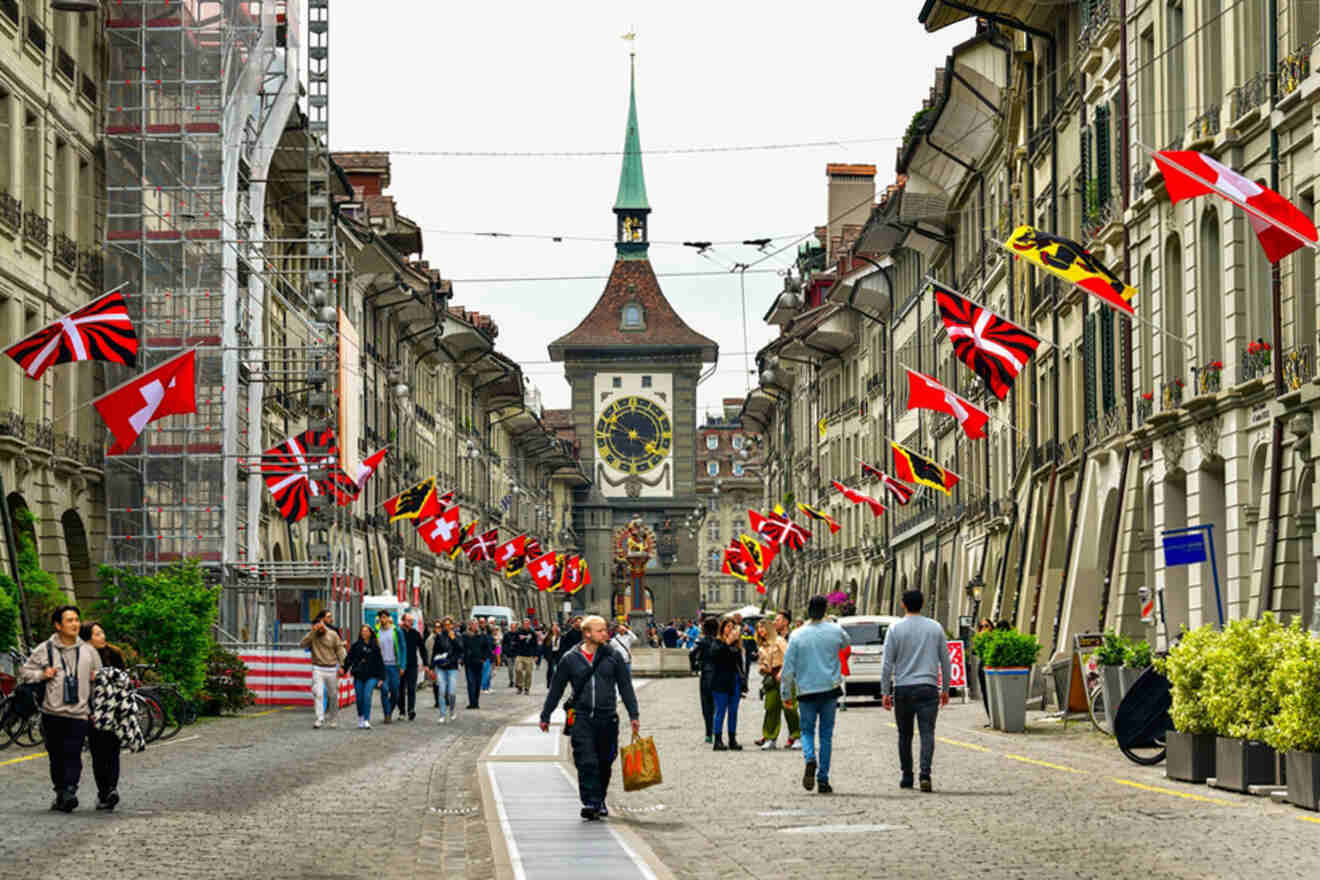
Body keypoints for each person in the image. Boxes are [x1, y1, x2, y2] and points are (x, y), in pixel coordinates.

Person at [539, 615, 640, 821]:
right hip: (582, 717)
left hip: (608, 718)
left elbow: (626, 686)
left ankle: (600, 798)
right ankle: (591, 802)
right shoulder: (570, 658)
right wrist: (546, 715)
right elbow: (557, 689)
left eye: (605, 630)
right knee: (586, 761)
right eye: (600, 630)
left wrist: (634, 714)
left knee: (604, 762)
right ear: (587, 634)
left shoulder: (613, 656)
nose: (606, 633)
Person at [21, 605, 103, 812]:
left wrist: (96, 678)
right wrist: (42, 674)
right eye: (69, 620)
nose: (75, 624)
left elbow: (99, 678)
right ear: (58, 625)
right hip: (52, 713)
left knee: (74, 754)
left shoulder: (88, 650)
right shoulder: (45, 649)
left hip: (79, 713)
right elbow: (26, 672)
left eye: (76, 619)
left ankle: (69, 790)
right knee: (57, 756)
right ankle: (61, 791)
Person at [881, 589, 952, 793]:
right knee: (927, 732)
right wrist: (945, 688)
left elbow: (887, 663)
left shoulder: (895, 629)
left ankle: (906, 775)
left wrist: (885, 691)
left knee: (904, 734)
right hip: (928, 687)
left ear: (903, 604)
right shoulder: (935, 628)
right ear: (923, 604)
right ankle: (925, 774)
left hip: (903, 688)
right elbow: (945, 662)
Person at [781, 595, 849, 794]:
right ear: (825, 610)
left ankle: (810, 757)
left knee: (807, 731)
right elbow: (846, 644)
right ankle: (823, 779)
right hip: (829, 689)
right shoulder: (835, 630)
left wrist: (786, 693)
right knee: (826, 735)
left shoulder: (797, 635)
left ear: (808, 611)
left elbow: (788, 669)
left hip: (806, 691)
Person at [80, 621, 129, 811]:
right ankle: (104, 791)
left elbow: (124, 680)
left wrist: (102, 675)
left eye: (102, 632)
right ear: (87, 638)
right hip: (92, 712)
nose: (102, 636)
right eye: (97, 634)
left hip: (113, 710)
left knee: (112, 752)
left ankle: (111, 790)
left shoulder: (114, 653)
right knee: (98, 753)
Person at [756, 614, 801, 750]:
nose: (761, 631)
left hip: (785, 677)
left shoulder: (779, 640)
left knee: (789, 707)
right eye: (758, 629)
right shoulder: (762, 646)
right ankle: (770, 738)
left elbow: (789, 656)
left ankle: (796, 736)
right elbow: (762, 664)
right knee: (770, 708)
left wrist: (782, 671)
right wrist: (762, 669)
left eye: (763, 628)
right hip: (771, 678)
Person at [300, 609, 346, 729]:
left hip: (331, 668)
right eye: (316, 626)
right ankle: (319, 718)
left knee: (333, 694)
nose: (319, 628)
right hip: (317, 668)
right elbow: (302, 644)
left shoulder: (333, 634)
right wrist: (312, 633)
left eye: (320, 625)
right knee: (318, 693)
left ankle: (333, 718)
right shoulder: (313, 635)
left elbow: (340, 649)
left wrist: (342, 665)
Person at [710, 618, 745, 751]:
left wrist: (743, 682)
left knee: (733, 711)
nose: (730, 629)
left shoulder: (737, 646)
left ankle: (732, 739)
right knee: (720, 711)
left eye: (733, 627)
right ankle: (717, 740)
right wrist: (728, 642)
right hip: (720, 681)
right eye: (728, 626)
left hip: (734, 681)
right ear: (723, 628)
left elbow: (740, 665)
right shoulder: (717, 643)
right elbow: (715, 656)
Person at [344, 624, 385, 729]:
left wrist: (381, 677)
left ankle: (366, 719)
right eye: (362, 631)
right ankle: (361, 717)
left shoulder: (375, 646)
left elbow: (380, 662)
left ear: (370, 633)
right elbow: (349, 659)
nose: (364, 633)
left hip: (372, 675)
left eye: (366, 631)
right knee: (359, 698)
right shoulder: (356, 645)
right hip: (359, 675)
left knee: (367, 696)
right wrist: (343, 668)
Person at [426, 617, 463, 723]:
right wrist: (431, 667)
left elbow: (461, 649)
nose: (447, 626)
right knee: (442, 691)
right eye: (445, 625)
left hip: (452, 667)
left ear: (452, 625)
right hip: (441, 667)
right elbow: (435, 652)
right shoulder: (439, 637)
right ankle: (442, 714)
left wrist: (454, 639)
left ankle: (452, 711)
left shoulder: (457, 635)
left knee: (451, 692)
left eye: (449, 624)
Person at [689, 617, 719, 743]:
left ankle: (708, 733)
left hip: (706, 674)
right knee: (718, 704)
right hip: (718, 674)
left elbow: (691, 654)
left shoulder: (701, 641)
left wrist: (694, 666)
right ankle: (717, 730)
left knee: (706, 704)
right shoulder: (719, 641)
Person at [374, 611, 407, 723]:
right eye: (380, 617)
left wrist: (402, 665)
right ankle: (387, 714)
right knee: (384, 690)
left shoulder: (396, 631)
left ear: (388, 618)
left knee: (395, 692)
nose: (382, 620)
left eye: (384, 617)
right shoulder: (377, 632)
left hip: (394, 666)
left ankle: (390, 709)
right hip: (382, 667)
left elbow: (403, 648)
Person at [397, 612, 427, 721]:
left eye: (412, 620)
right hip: (401, 665)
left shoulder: (415, 633)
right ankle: (401, 710)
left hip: (412, 664)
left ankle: (411, 710)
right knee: (400, 689)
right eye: (409, 620)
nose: (411, 622)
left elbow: (422, 648)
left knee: (411, 688)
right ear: (403, 621)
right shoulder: (398, 633)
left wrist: (425, 663)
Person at [461, 619, 493, 709]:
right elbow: (462, 647)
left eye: (476, 624)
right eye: (472, 624)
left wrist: (486, 658)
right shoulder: (465, 635)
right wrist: (463, 658)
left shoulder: (482, 635)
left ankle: (476, 701)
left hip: (479, 662)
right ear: (469, 625)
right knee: (471, 682)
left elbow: (488, 648)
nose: (474, 626)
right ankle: (472, 702)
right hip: (469, 662)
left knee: (478, 683)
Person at [511, 618, 538, 694]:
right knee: (518, 670)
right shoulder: (518, 632)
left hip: (529, 656)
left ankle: (527, 688)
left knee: (528, 672)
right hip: (519, 655)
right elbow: (513, 642)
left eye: (528, 623)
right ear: (523, 624)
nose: (526, 625)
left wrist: (536, 655)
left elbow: (535, 644)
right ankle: (519, 686)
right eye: (525, 623)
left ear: (529, 624)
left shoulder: (532, 633)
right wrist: (514, 651)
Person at [975, 618, 994, 724]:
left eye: (986, 626)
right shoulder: (979, 638)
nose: (984, 629)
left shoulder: (995, 638)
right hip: (982, 667)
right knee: (985, 692)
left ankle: (995, 717)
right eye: (981, 627)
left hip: (992, 667)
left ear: (991, 627)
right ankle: (990, 718)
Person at [542, 623, 563, 689]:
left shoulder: (561, 636)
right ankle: (550, 683)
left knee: (559, 669)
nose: (555, 628)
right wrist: (545, 656)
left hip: (559, 654)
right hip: (551, 654)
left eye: (556, 626)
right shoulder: (548, 636)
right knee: (551, 669)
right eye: (553, 626)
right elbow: (544, 647)